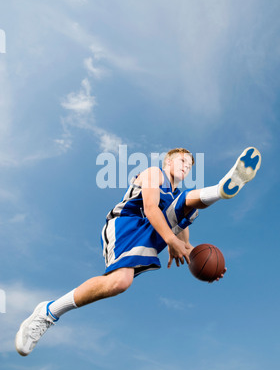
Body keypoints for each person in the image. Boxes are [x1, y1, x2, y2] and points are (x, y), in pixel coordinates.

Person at [15, 146, 261, 356]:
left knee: (123, 280)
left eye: (190, 165)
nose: (186, 166)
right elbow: (151, 209)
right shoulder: (155, 173)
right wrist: (171, 241)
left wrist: (204, 264)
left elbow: (186, 243)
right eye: (182, 160)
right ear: (168, 161)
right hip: (127, 224)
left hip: (156, 229)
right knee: (184, 207)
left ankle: (221, 190)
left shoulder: (179, 197)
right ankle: (48, 312)